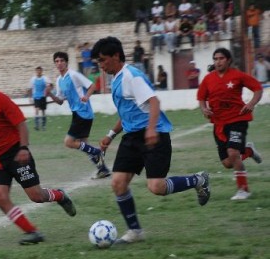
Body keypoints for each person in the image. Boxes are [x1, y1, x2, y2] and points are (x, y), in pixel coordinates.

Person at [91, 36, 210, 244]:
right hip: (132, 137)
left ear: (116, 56)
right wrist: (111, 135)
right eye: (98, 62)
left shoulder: (131, 76)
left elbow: (154, 102)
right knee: (118, 183)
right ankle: (135, 232)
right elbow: (129, 112)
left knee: (156, 187)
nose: (101, 65)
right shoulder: (117, 79)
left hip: (154, 136)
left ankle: (198, 180)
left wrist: (152, 129)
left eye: (102, 60)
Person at [0, 63, 77, 245]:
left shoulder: (1, 100)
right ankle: (32, 232)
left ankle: (60, 195)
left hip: (16, 154)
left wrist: (23, 148)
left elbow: (21, 125)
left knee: (36, 196)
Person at [197, 48, 263, 200]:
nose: (218, 61)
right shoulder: (208, 79)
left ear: (228, 60)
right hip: (219, 124)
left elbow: (258, 88)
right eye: (215, 59)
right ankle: (249, 151)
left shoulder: (237, 75)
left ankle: (243, 190)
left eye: (221, 58)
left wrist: (252, 103)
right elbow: (201, 98)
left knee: (233, 153)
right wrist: (204, 108)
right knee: (227, 163)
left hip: (237, 120)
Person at [48, 51, 111, 179]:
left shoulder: (74, 75)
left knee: (69, 142)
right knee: (84, 145)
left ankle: (97, 152)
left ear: (66, 62)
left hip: (83, 112)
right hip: (77, 113)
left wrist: (86, 96)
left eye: (61, 61)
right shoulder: (59, 80)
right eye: (57, 61)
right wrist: (50, 94)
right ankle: (103, 169)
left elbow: (92, 86)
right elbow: (60, 101)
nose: (59, 63)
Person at [28, 66, 52, 131]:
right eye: (37, 71)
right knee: (36, 110)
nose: (38, 72)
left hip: (43, 97)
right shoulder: (33, 79)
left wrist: (48, 89)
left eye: (40, 70)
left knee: (43, 111)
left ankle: (43, 126)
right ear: (36, 71)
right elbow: (30, 88)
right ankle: (37, 126)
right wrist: (30, 97)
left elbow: (50, 85)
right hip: (36, 97)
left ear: (41, 71)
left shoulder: (45, 78)